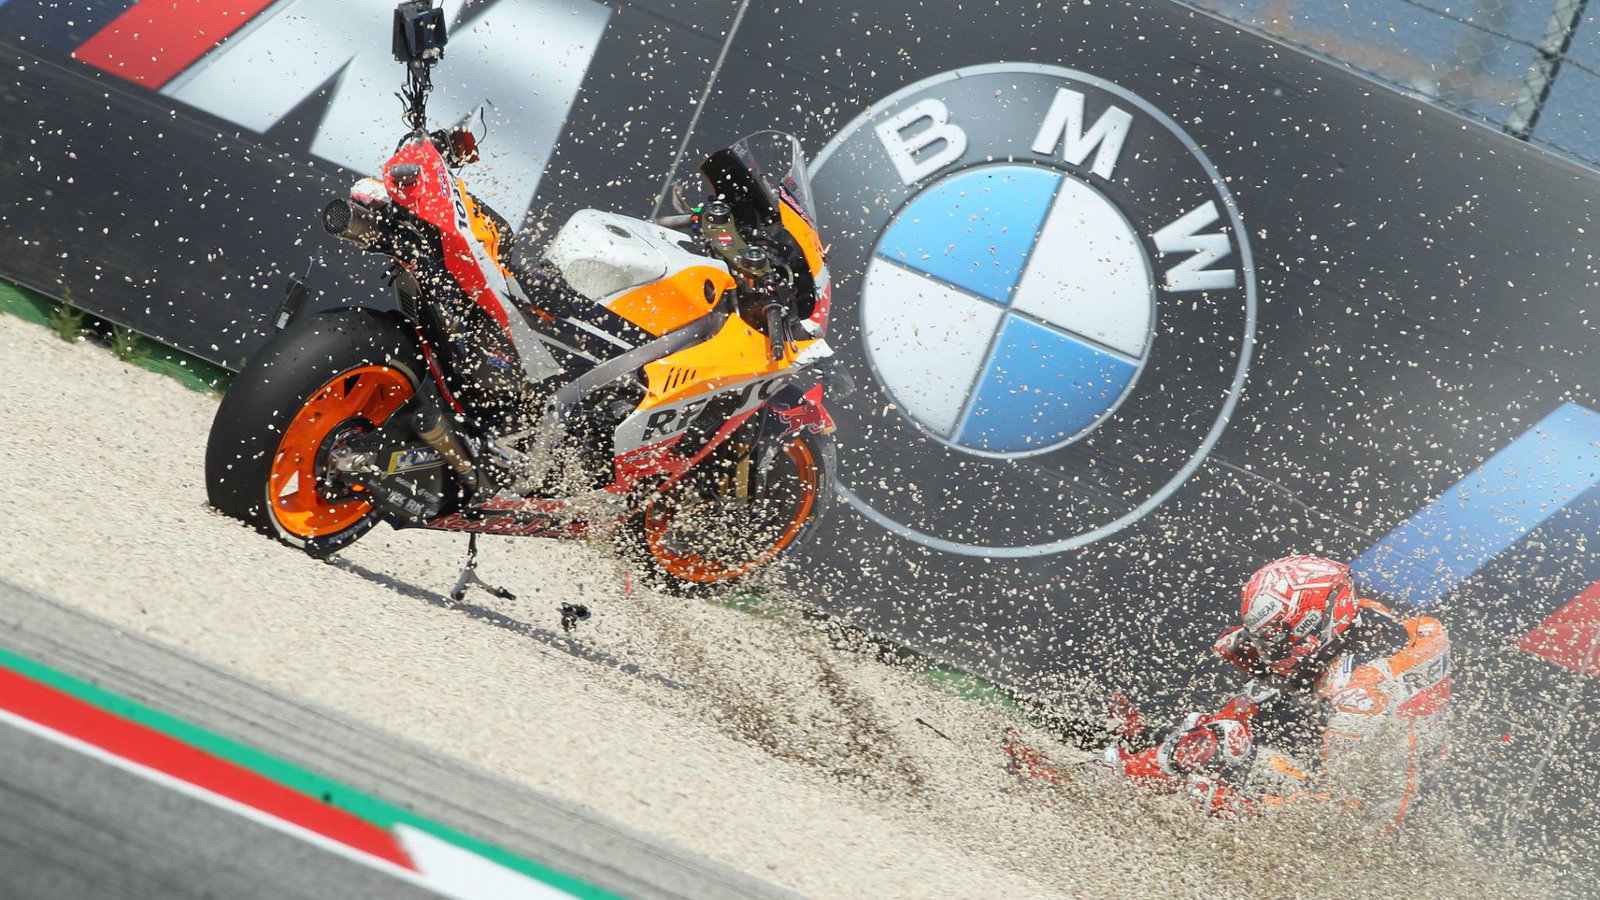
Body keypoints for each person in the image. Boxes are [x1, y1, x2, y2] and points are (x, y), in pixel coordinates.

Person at [1092, 555, 1452, 827]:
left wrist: (1236, 805)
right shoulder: (1365, 620)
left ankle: (1123, 772)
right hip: (1363, 759)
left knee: (1223, 743)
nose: (1265, 652)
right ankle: (1152, 756)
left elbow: (1340, 812)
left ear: (1317, 625)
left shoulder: (1361, 700)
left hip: (1370, 818)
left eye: (1276, 640)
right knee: (1238, 714)